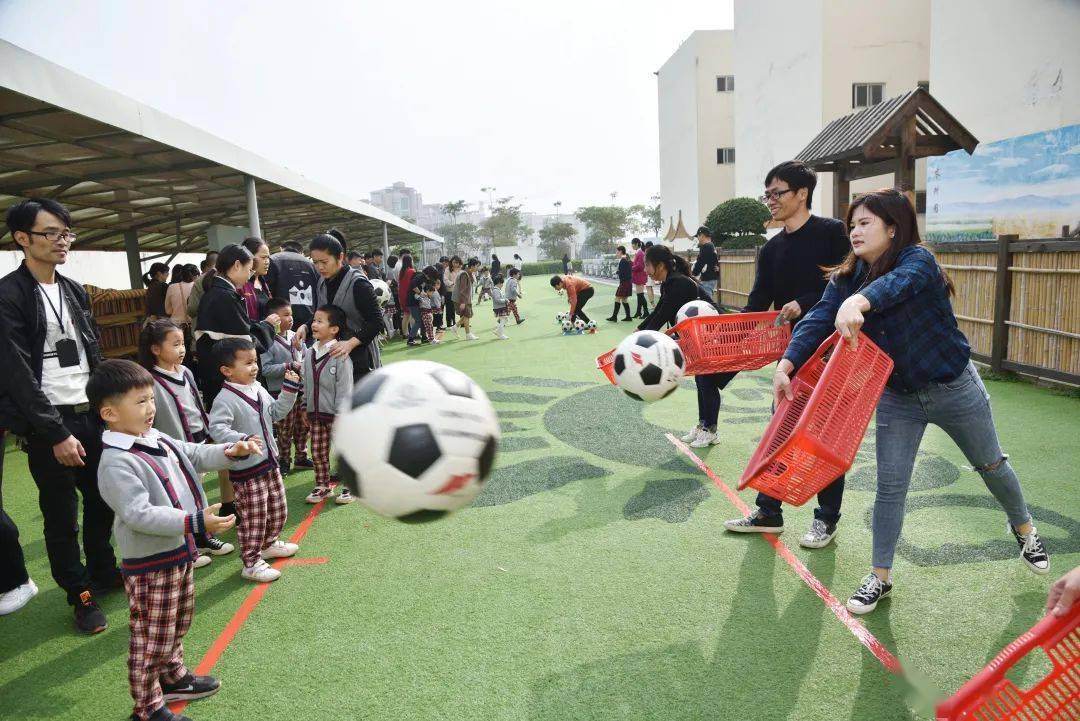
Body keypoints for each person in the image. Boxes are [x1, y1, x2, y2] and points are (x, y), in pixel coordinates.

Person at [772, 188, 1048, 615]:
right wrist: (788, 363)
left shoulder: (918, 260)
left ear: (893, 227)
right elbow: (817, 320)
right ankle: (880, 577)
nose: (854, 231)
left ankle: (1024, 528)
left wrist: (859, 301)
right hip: (897, 396)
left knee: (991, 464)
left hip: (954, 387)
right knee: (890, 486)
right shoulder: (846, 278)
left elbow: (895, 286)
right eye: (852, 224)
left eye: (865, 223)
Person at [90, 359, 254, 721]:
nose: (151, 409)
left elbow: (193, 453)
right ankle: (147, 709)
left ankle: (173, 675)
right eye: (141, 402)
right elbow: (138, 514)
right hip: (150, 563)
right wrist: (194, 520)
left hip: (178, 552)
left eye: (151, 399)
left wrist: (230, 451)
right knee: (151, 637)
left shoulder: (155, 437)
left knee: (177, 621)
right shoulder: (116, 461)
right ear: (109, 412)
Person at [0, 197, 119, 634]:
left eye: (66, 233)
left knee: (103, 498)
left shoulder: (73, 289)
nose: (62, 241)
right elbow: (14, 373)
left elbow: (93, 352)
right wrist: (53, 432)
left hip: (92, 412)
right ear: (22, 238)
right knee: (61, 516)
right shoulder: (8, 295)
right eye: (51, 233)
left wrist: (108, 406)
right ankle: (80, 594)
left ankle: (105, 570)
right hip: (52, 424)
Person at [721, 160, 854, 548]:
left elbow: (846, 285)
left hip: (833, 354)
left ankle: (826, 519)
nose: (771, 201)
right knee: (780, 431)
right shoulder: (772, 248)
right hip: (791, 359)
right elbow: (758, 304)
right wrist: (723, 343)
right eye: (767, 194)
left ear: (802, 193)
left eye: (777, 193)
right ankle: (769, 511)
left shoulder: (833, 233)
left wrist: (804, 301)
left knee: (824, 438)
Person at [194, 244, 281, 522]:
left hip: (218, 377)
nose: (250, 274)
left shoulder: (220, 292)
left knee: (229, 442)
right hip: (225, 381)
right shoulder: (223, 296)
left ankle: (231, 502)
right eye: (248, 267)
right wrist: (267, 325)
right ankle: (239, 501)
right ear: (235, 266)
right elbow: (244, 341)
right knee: (235, 440)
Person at [139, 320, 233, 566]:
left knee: (197, 491)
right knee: (181, 495)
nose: (182, 349)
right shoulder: (149, 381)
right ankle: (188, 546)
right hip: (173, 446)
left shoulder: (186, 372)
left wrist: (209, 429)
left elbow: (196, 405)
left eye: (183, 343)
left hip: (197, 438)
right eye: (176, 344)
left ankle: (201, 538)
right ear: (155, 349)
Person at [208, 338, 301, 583]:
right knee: (253, 518)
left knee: (278, 509)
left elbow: (276, 413)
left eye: (255, 361)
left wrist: (289, 390)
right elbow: (217, 428)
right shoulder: (224, 399)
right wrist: (241, 439)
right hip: (247, 471)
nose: (254, 367)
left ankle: (269, 545)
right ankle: (251, 563)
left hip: (269, 464)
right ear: (227, 371)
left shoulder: (257, 388)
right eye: (247, 363)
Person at [637, 245, 724, 449]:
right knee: (701, 381)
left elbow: (663, 314)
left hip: (715, 336)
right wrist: (640, 330)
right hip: (700, 339)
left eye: (647, 265)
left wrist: (642, 338)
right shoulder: (670, 282)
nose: (646, 270)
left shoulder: (679, 283)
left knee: (707, 382)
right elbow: (658, 310)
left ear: (659, 265)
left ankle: (711, 430)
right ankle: (704, 425)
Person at [298, 233, 384, 382]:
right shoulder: (322, 283)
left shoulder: (358, 284)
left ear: (340, 257)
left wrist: (350, 343)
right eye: (315, 262)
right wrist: (305, 327)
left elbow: (376, 322)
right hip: (331, 357)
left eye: (324, 261)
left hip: (360, 359)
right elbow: (323, 313)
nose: (320, 267)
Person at [301, 305, 354, 505]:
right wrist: (305, 405)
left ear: (334, 329)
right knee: (318, 451)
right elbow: (306, 382)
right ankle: (322, 485)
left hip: (337, 415)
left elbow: (345, 387)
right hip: (316, 414)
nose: (314, 324)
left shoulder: (340, 354)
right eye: (314, 320)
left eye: (320, 321)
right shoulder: (308, 353)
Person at [259, 298, 311, 475]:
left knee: (302, 425)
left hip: (300, 390)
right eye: (286, 315)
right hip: (280, 392)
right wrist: (289, 366)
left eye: (291, 315)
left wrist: (300, 356)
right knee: (284, 428)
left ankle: (301, 457)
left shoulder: (296, 336)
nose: (291, 318)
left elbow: (304, 361)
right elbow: (265, 369)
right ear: (274, 317)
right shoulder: (267, 341)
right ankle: (284, 460)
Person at [266, 240, 318, 333]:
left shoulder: (273, 260)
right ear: (301, 251)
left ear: (281, 249)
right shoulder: (312, 265)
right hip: (308, 321)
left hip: (282, 320)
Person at [240, 237, 272, 321]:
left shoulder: (263, 282)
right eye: (263, 257)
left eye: (268, 257)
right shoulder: (241, 285)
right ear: (250, 257)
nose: (267, 261)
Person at [185, 253, 218, 322]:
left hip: (205, 324)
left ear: (207, 264)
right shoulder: (229, 277)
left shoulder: (199, 280)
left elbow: (192, 309)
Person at [454, 258, 480, 341]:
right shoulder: (465, 274)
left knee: (467, 315)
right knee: (467, 315)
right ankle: (468, 334)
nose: (478, 268)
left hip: (465, 298)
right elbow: (463, 289)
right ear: (472, 266)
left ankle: (455, 327)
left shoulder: (468, 273)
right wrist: (463, 302)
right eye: (477, 266)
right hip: (462, 299)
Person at [691, 226, 719, 301]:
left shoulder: (706, 247)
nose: (698, 239)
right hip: (711, 277)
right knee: (707, 300)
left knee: (706, 302)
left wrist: (693, 274)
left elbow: (700, 263)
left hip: (707, 279)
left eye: (698, 236)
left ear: (702, 235)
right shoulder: (711, 246)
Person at [608, 245, 633, 322]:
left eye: (617, 251)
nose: (616, 253)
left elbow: (622, 272)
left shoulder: (623, 260)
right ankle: (628, 317)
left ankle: (614, 317)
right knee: (624, 299)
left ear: (621, 251)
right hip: (628, 282)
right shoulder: (627, 259)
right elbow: (628, 270)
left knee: (617, 298)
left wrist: (617, 272)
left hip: (624, 282)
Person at [397, 254, 416, 341]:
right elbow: (413, 284)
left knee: (406, 314)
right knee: (413, 314)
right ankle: (414, 333)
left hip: (402, 295)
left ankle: (405, 334)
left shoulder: (402, 271)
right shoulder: (412, 271)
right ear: (410, 261)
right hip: (409, 295)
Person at [630, 238, 648, 318]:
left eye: (633, 244)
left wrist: (631, 268)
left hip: (640, 276)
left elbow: (640, 266)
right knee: (639, 295)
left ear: (637, 244)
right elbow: (637, 264)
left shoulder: (640, 253)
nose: (632, 245)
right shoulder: (639, 252)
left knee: (640, 295)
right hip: (639, 276)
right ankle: (638, 312)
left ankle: (646, 312)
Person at [490, 274, 511, 340]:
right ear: (499, 283)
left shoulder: (497, 289)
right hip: (499, 308)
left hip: (501, 307)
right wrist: (505, 300)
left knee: (505, 319)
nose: (502, 285)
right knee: (503, 320)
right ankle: (500, 334)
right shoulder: (496, 290)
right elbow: (497, 300)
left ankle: (497, 332)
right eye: (502, 283)